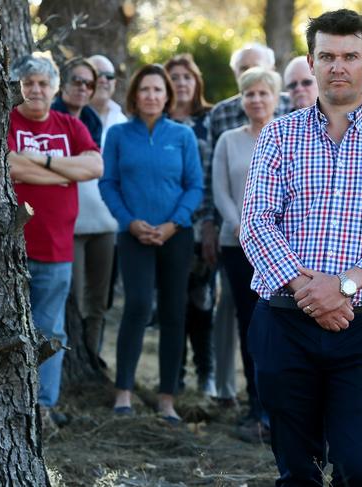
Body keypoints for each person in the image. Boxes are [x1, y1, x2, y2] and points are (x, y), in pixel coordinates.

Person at [240, 10, 362, 486]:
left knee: (359, 469)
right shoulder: (279, 135)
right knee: (297, 471)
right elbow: (256, 223)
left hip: (361, 330)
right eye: (327, 56)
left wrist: (344, 286)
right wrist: (311, 291)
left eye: (349, 56)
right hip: (284, 323)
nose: (337, 66)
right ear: (311, 61)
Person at [99, 64, 203, 422]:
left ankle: (167, 398)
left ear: (167, 95)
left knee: (174, 312)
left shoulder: (182, 135)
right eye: (145, 89)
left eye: (159, 90)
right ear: (134, 94)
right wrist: (129, 222)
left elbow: (195, 186)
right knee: (138, 305)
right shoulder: (117, 135)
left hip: (176, 234)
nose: (152, 96)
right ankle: (124, 391)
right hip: (133, 235)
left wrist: (174, 224)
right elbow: (107, 184)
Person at [7, 54, 103, 428]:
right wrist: (65, 172)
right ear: (18, 88)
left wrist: (41, 163)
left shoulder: (68, 124)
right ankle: (9, 404)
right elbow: (9, 164)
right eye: (28, 83)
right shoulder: (6, 122)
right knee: (7, 331)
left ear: (54, 89)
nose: (35, 90)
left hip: (56, 249)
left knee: (50, 331)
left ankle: (42, 406)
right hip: (6, 250)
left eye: (42, 84)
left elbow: (94, 167)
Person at [208, 42, 291, 409]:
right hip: (237, 243)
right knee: (248, 320)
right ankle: (255, 403)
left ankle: (283, 401)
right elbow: (220, 189)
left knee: (282, 321)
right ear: (241, 99)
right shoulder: (229, 140)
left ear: (276, 97)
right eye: (249, 93)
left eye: (263, 93)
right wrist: (240, 224)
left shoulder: (291, 138)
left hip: (283, 248)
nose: (256, 99)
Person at [51, 57, 118, 368]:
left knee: (98, 301)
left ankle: (91, 357)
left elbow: (97, 168)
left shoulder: (93, 120)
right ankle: (65, 363)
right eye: (77, 81)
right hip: (68, 225)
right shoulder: (52, 116)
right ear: (62, 83)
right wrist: (70, 167)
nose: (83, 88)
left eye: (88, 83)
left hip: (104, 222)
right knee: (72, 298)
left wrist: (74, 167)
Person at [164, 53, 217, 397]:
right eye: (175, 77)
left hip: (203, 225)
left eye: (187, 76)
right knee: (171, 303)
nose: (181, 82)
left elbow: (215, 174)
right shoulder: (156, 120)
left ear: (196, 81)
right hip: (167, 225)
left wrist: (211, 221)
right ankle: (174, 375)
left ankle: (206, 374)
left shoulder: (210, 120)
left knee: (203, 302)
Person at [88, 55, 128, 147]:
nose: (103, 80)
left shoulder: (122, 121)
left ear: (115, 82)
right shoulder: (70, 117)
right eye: (97, 74)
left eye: (109, 76)